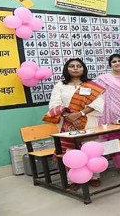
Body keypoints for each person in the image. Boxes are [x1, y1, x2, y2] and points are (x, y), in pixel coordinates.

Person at [44, 58, 105, 188]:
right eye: (72, 66)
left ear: (83, 69)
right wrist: (68, 116)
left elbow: (97, 104)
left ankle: (94, 176)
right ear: (67, 69)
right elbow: (54, 104)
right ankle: (73, 179)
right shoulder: (60, 85)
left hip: (89, 122)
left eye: (79, 66)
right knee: (70, 151)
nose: (75, 68)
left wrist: (80, 114)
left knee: (91, 148)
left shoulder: (92, 85)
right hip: (66, 123)